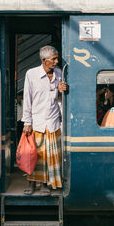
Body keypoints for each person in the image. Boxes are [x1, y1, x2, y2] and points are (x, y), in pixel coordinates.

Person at [21, 45, 68, 196]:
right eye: (53, 59)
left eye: (56, 58)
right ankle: (32, 183)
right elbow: (27, 99)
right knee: (36, 155)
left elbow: (58, 98)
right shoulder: (32, 74)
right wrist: (27, 122)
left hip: (53, 121)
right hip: (38, 121)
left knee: (50, 156)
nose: (56, 61)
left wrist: (61, 91)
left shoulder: (59, 73)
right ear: (44, 60)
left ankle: (46, 184)